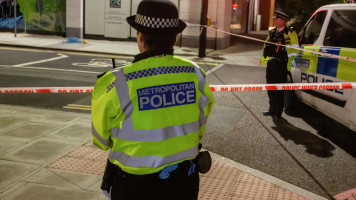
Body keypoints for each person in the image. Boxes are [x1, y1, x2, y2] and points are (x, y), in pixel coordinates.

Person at [91, 0, 215, 200]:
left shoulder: (117, 82)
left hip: (135, 186)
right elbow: (200, 125)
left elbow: (101, 140)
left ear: (140, 37)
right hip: (184, 181)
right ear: (174, 39)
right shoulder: (196, 74)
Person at [261, 10, 299, 119]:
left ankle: (278, 112)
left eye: (276, 19)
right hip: (271, 64)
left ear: (282, 21)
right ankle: (271, 109)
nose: (274, 20)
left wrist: (285, 52)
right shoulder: (272, 32)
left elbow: (295, 50)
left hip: (281, 65)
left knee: (279, 89)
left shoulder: (290, 33)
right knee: (270, 87)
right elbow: (266, 47)